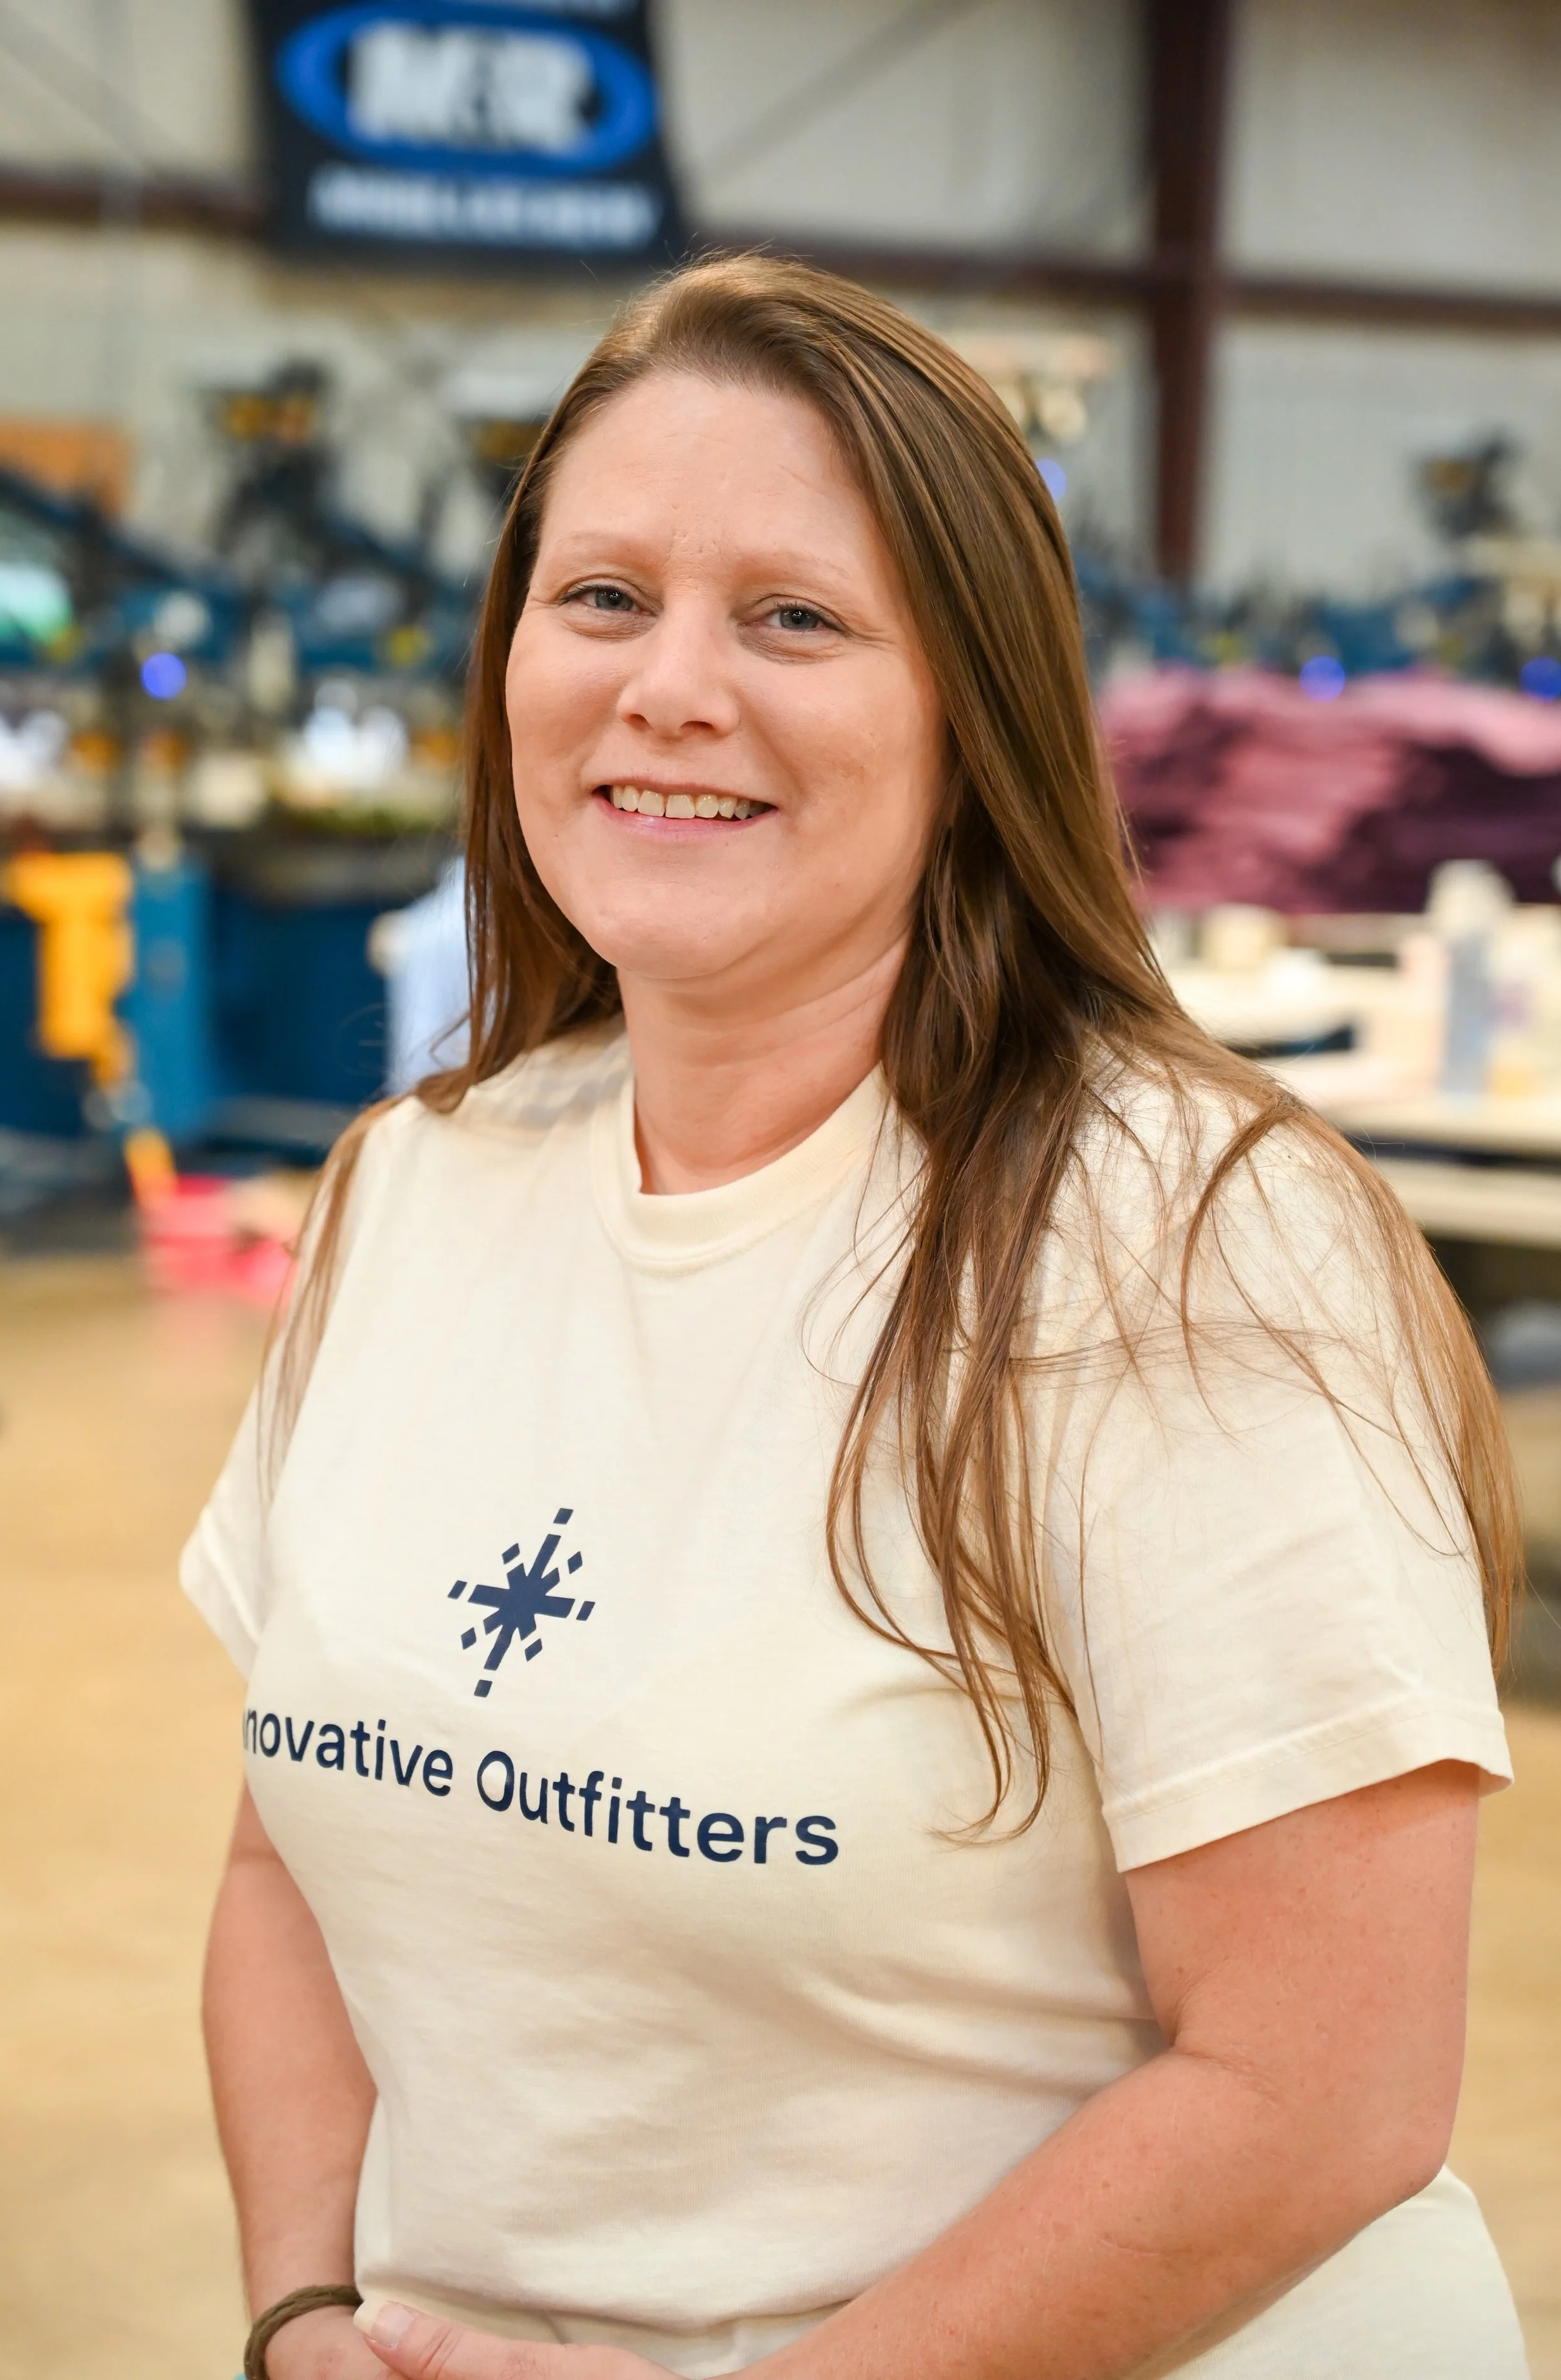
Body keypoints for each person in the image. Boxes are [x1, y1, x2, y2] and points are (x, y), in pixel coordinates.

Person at [186, 257, 1529, 2380]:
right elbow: (289, 1863)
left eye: (791, 617)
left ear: (968, 707)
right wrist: (307, 2311)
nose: (666, 688)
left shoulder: (1183, 1248)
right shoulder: (415, 1191)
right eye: (601, 597)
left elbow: (1321, 2092)